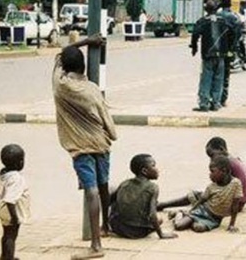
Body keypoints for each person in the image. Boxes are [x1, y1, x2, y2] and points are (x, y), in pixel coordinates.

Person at [52, 34, 117, 260]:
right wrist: (110, 135)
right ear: (83, 67)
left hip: (80, 147)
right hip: (101, 142)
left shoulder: (60, 86)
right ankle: (105, 226)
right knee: (103, 185)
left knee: (91, 190)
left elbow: (60, 54)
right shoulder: (92, 89)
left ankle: (95, 245)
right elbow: (107, 120)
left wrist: (84, 41)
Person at [157, 136, 246, 212]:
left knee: (195, 196)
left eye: (212, 155)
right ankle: (163, 205)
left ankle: (163, 205)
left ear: (222, 149)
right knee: (199, 196)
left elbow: (222, 187)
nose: (211, 159)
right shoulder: (234, 160)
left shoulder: (227, 164)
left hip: (235, 203)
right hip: (242, 200)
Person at [108, 154, 177, 240]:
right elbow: (152, 215)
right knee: (160, 220)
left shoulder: (125, 183)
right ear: (144, 171)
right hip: (138, 232)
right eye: (153, 166)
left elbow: (109, 201)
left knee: (114, 191)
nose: (157, 169)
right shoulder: (153, 187)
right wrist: (161, 234)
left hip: (118, 228)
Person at [171, 156, 243, 233]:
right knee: (179, 226)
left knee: (198, 228)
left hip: (215, 219)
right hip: (202, 211)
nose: (210, 175)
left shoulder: (236, 184)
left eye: (212, 171)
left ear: (224, 170)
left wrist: (231, 225)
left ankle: (189, 219)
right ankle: (179, 213)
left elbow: (235, 206)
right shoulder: (211, 187)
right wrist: (191, 210)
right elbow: (202, 200)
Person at [190, 1, 234, 112]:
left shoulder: (202, 21)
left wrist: (194, 47)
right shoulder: (223, 21)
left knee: (206, 78)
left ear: (206, 10)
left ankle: (204, 104)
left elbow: (195, 33)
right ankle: (215, 103)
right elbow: (233, 32)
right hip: (221, 54)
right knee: (218, 79)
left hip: (208, 54)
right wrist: (229, 47)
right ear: (216, 9)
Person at [0, 144, 30, 260]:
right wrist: (14, 217)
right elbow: (10, 200)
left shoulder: (0, 174)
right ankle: (9, 256)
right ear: (18, 163)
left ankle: (4, 256)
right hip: (11, 210)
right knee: (11, 236)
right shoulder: (16, 178)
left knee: (6, 234)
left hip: (1, 208)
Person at [218, 0, 241, 107]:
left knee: (216, 73)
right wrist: (234, 48)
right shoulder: (233, 17)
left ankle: (215, 98)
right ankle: (223, 99)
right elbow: (238, 33)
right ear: (230, 5)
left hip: (216, 49)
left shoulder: (216, 16)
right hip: (228, 50)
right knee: (226, 74)